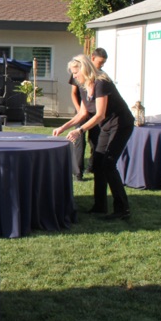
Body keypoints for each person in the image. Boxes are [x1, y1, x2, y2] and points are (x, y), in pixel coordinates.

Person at [54, 54, 134, 220]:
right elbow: (83, 113)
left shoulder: (101, 83)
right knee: (98, 163)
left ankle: (122, 209)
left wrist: (79, 131)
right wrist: (63, 127)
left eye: (75, 73)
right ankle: (100, 206)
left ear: (84, 69)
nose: (74, 76)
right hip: (106, 126)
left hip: (121, 125)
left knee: (109, 164)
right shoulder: (84, 86)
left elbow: (99, 114)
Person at [68, 48, 107, 180]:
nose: (101, 65)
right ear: (92, 58)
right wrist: (79, 110)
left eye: (103, 63)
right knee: (79, 142)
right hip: (82, 111)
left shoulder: (100, 78)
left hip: (95, 113)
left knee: (95, 140)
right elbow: (74, 93)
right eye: (99, 62)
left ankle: (92, 166)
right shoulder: (78, 73)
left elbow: (100, 111)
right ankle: (78, 172)